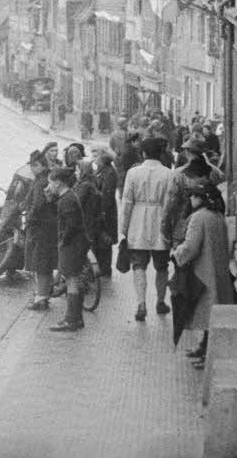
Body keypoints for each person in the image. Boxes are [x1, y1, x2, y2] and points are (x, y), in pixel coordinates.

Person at [170, 183, 233, 363]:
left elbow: (191, 246)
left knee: (206, 312)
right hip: (219, 269)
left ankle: (208, 354)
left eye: (194, 196)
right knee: (213, 310)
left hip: (202, 271)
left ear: (201, 198)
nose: (191, 199)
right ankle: (204, 347)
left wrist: (176, 253)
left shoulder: (198, 217)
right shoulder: (218, 216)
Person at [119, 136, 175, 322]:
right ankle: (160, 301)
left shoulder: (133, 173)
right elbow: (170, 204)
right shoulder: (168, 174)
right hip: (160, 220)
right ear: (160, 153)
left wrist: (124, 228)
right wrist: (170, 228)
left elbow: (126, 202)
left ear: (143, 153)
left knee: (139, 264)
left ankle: (141, 303)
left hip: (138, 221)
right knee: (162, 266)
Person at [162, 135, 226, 251]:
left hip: (183, 225)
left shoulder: (179, 174)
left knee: (183, 261)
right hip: (209, 224)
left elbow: (170, 204)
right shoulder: (214, 172)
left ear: (187, 152)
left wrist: (165, 229)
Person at [49, 167, 88, 332]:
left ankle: (70, 320)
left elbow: (71, 226)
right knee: (75, 279)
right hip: (77, 243)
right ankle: (77, 318)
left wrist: (63, 241)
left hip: (72, 245)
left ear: (58, 183)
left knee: (71, 280)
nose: (49, 186)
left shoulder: (66, 200)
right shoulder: (69, 196)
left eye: (50, 183)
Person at [23, 151, 58, 311]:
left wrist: (29, 218)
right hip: (50, 227)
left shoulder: (40, 182)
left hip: (40, 228)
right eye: (32, 165)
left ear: (41, 166)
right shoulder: (47, 179)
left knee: (41, 264)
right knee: (47, 263)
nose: (32, 168)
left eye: (34, 165)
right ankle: (44, 295)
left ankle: (40, 298)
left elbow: (38, 205)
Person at [90, 147, 120, 277]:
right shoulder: (101, 170)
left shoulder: (109, 172)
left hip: (105, 212)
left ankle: (105, 269)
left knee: (105, 240)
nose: (93, 158)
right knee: (100, 240)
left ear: (103, 157)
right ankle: (101, 268)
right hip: (101, 211)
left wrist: (101, 212)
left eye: (96, 155)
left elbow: (106, 196)